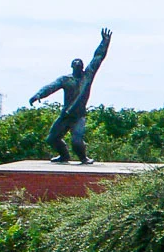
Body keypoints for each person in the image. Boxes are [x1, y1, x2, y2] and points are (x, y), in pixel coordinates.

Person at [28, 28, 111, 164]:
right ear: (72, 66)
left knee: (76, 141)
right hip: (66, 115)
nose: (78, 66)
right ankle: (64, 156)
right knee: (52, 138)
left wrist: (105, 42)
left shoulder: (87, 76)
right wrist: (38, 95)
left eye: (80, 64)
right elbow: (51, 87)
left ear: (83, 67)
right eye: (76, 64)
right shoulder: (65, 80)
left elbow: (98, 57)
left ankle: (84, 158)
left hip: (78, 116)